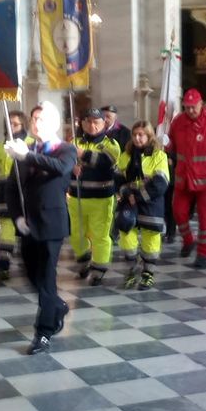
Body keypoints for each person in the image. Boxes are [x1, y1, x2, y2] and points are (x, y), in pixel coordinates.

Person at [5, 101, 76, 354]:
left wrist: (26, 155)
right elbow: (11, 188)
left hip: (52, 225)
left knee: (46, 280)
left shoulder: (65, 149)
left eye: (42, 119)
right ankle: (56, 305)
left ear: (54, 123)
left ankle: (44, 332)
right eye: (34, 118)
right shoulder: (23, 151)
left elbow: (59, 168)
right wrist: (16, 217)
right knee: (30, 275)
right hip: (27, 225)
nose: (36, 123)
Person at [167, 88, 206, 268]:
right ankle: (188, 240)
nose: (190, 111)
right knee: (178, 212)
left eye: (193, 107)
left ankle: (203, 254)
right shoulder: (178, 122)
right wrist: (164, 143)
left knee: (205, 220)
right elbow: (171, 144)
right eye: (186, 107)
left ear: (200, 104)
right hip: (184, 179)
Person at [68, 107, 120, 285]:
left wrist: (83, 154)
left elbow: (106, 161)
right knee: (76, 234)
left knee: (100, 235)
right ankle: (84, 261)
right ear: (82, 123)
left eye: (96, 122)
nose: (92, 126)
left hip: (101, 198)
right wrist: (71, 167)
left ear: (104, 124)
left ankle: (99, 269)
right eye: (88, 122)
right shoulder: (74, 142)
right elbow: (63, 161)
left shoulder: (110, 144)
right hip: (77, 197)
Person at [115, 120, 169, 290]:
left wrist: (137, 196)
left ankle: (148, 273)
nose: (137, 138)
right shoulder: (125, 155)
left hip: (150, 203)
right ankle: (131, 271)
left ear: (149, 136)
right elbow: (117, 178)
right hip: (128, 203)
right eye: (135, 135)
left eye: (141, 135)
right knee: (127, 237)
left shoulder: (159, 155)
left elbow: (161, 183)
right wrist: (126, 193)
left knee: (150, 239)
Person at [0, 109, 29, 280]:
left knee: (29, 232)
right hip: (5, 196)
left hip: (26, 196)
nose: (12, 127)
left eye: (16, 124)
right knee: (6, 233)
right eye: (9, 124)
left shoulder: (31, 142)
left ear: (23, 124)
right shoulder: (0, 146)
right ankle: (2, 267)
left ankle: (34, 266)